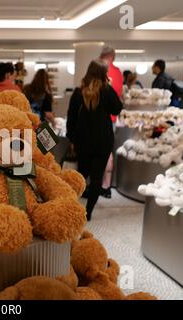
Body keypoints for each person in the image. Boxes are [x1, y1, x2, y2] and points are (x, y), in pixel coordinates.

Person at [66, 59, 123, 221]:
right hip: (103, 141)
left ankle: (72, 206)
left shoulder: (78, 92)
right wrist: (109, 86)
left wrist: (71, 138)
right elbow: (117, 108)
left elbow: (71, 118)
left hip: (82, 141)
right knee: (97, 177)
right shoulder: (106, 91)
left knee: (81, 174)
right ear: (103, 74)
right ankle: (88, 213)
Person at [99, 45, 123, 199]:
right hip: (111, 120)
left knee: (100, 152)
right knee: (108, 152)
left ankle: (99, 184)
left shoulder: (101, 71)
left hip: (100, 118)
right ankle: (106, 185)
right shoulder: (118, 73)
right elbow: (118, 99)